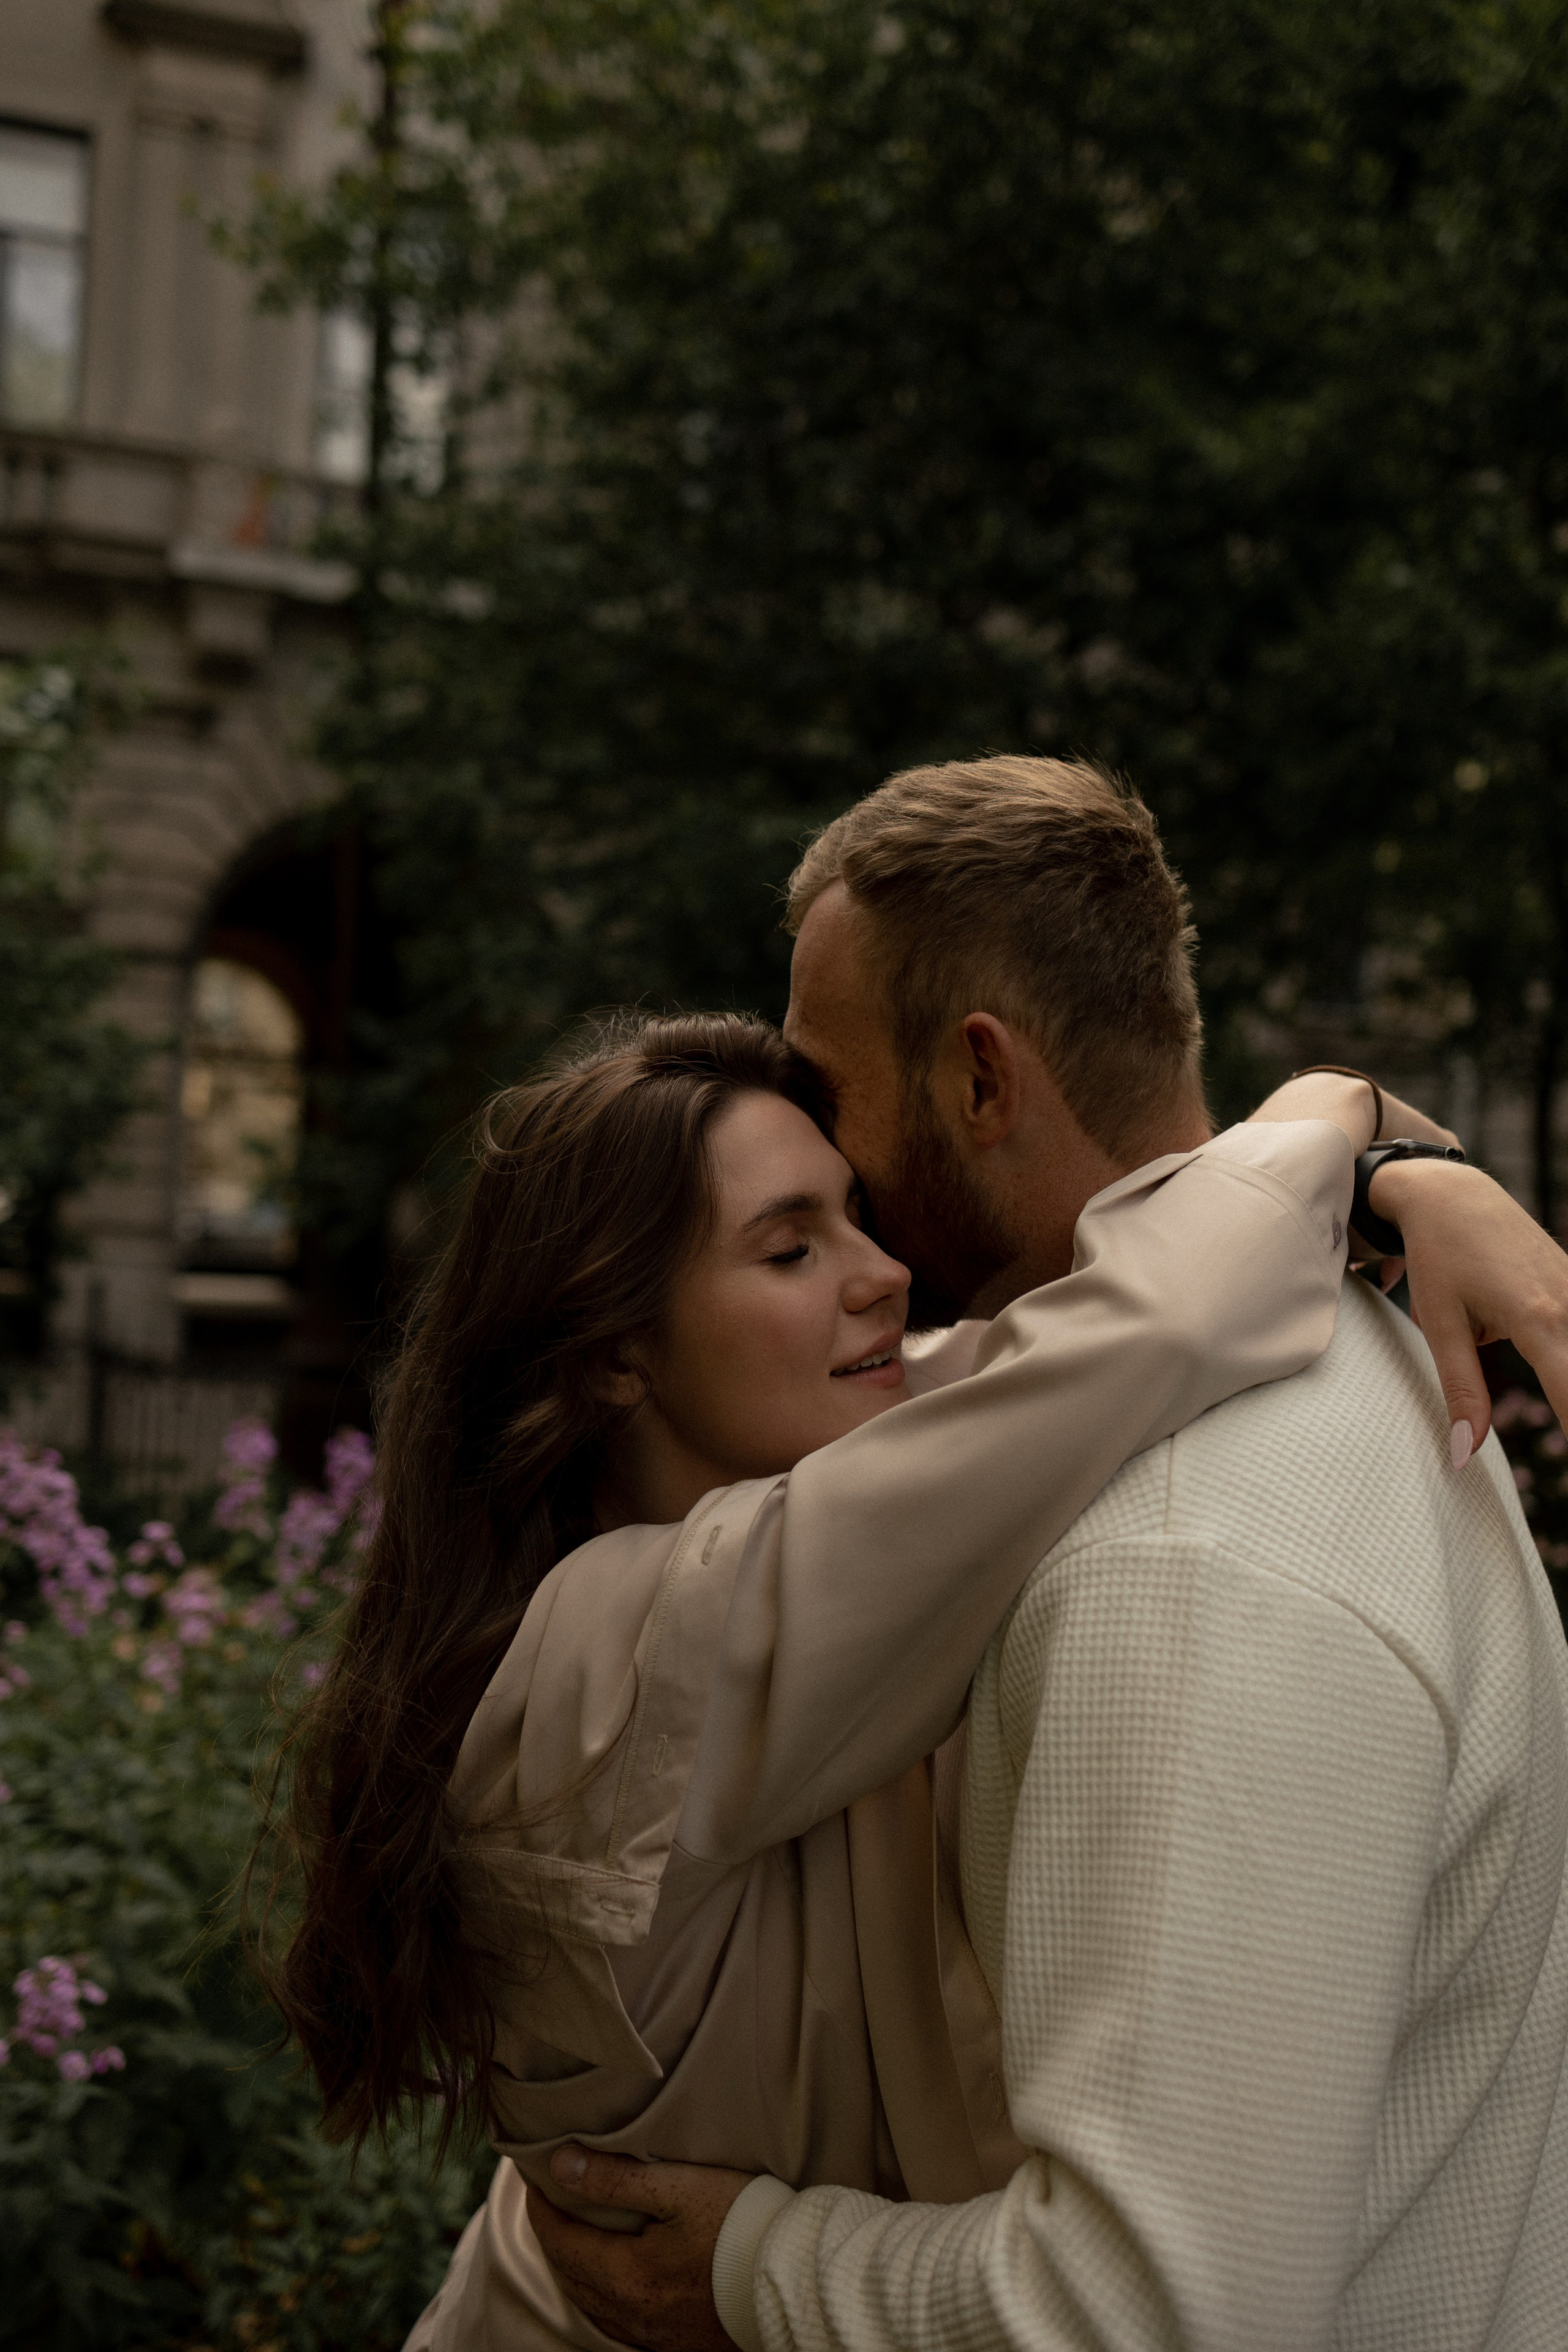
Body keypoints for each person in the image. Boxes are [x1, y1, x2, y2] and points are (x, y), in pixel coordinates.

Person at [527, 758, 1568, 2352]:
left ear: (983, 1083)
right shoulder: (1361, 1359)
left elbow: (1146, 2318)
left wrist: (748, 2268)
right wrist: (1364, 1136)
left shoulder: (1175, 1553)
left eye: (829, 1092)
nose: (848, 1194)